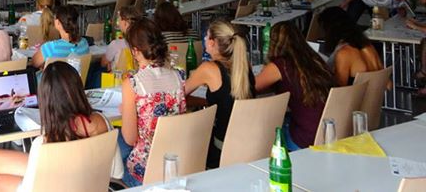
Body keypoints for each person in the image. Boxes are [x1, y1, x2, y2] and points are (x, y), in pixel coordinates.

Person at [0, 61, 112, 192]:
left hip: (56, 182)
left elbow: (33, 187)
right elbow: (117, 171)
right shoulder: (103, 122)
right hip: (85, 182)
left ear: (45, 101)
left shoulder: (45, 142)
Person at [119, 18, 187, 187]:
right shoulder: (178, 77)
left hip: (145, 171)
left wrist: (127, 112)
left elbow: (130, 138)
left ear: (135, 51)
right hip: (177, 163)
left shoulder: (133, 84)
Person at [183, 20, 254, 168]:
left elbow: (178, 96)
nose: (204, 39)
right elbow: (228, 99)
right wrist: (208, 102)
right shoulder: (244, 65)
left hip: (220, 148)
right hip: (249, 143)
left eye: (206, 36)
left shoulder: (208, 68)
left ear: (212, 42)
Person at [255, 22, 333, 150]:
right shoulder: (315, 60)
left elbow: (251, 87)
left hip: (305, 139)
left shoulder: (281, 65)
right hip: (328, 131)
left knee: (267, 125)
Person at [319, 6, 383, 86]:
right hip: (374, 93)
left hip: (354, 94)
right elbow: (388, 84)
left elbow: (339, 89)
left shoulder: (344, 53)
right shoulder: (369, 47)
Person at [101, 6, 142, 71]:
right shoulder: (144, 42)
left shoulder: (115, 44)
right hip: (137, 74)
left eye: (119, 19)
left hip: (118, 76)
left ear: (125, 22)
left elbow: (103, 63)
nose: (118, 22)